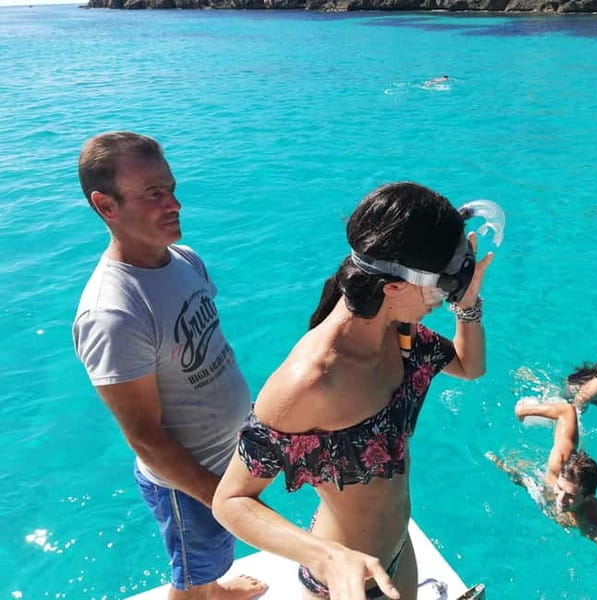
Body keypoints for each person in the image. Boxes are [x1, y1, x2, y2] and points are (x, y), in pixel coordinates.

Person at [212, 183, 500, 600]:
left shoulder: (400, 335)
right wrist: (327, 557)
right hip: (347, 582)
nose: (442, 301)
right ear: (393, 287)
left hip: (399, 555)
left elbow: (470, 367)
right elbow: (231, 501)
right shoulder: (311, 381)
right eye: (441, 289)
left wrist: (467, 304)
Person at [72, 132, 266, 600]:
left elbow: (210, 348)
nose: (174, 203)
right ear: (106, 205)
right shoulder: (113, 312)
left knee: (212, 560)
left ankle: (215, 588)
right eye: (153, 194)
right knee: (190, 581)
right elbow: (145, 437)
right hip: (188, 485)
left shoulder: (185, 259)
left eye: (172, 188)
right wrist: (220, 499)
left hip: (230, 459)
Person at [487, 402, 597, 600]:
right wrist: (526, 410)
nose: (561, 500)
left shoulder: (590, 518)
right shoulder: (558, 462)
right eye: (561, 489)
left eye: (571, 496)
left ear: (587, 497)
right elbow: (566, 410)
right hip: (533, 473)